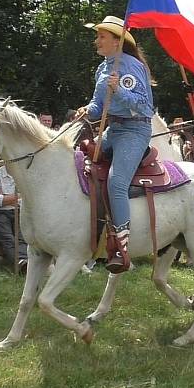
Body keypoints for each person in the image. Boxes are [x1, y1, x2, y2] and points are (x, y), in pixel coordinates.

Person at [75, 15, 155, 274]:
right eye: (97, 35)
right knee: (80, 163)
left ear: (117, 41)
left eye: (102, 36)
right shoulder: (102, 68)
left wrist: (118, 89)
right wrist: (87, 110)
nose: (96, 41)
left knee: (116, 182)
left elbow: (145, 106)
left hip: (135, 129)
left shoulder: (130, 66)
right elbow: (99, 107)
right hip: (114, 128)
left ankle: (121, 247)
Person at [0, 165, 28, 273]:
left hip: (19, 210)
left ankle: (25, 262)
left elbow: (27, 197)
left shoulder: (23, 174)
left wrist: (5, 197)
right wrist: (19, 196)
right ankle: (21, 262)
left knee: (23, 236)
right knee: (6, 236)